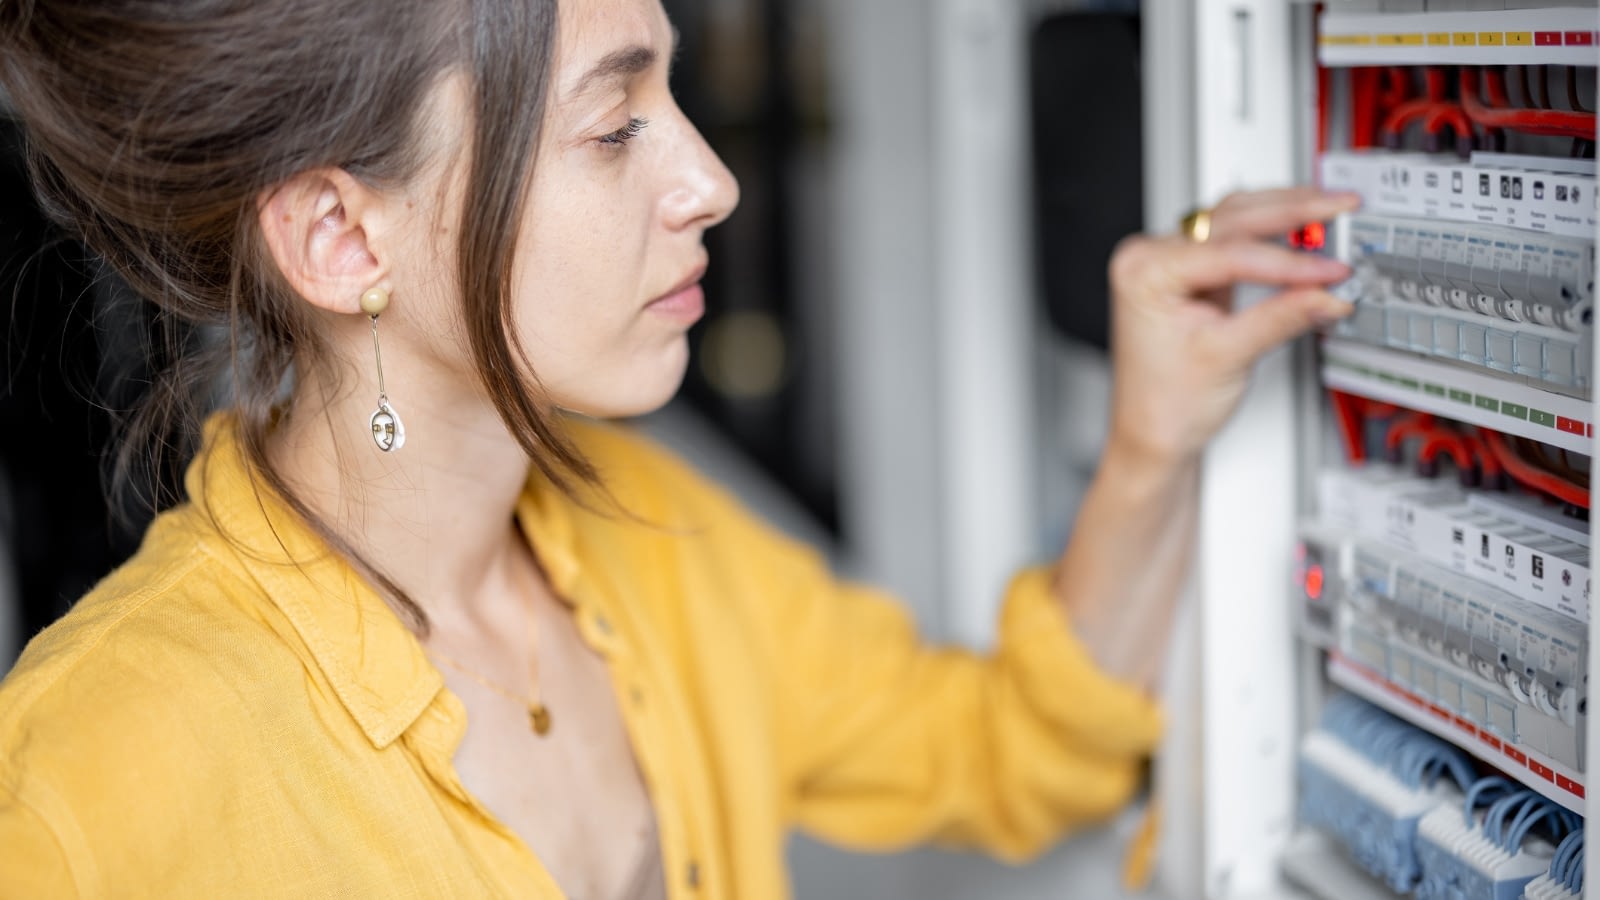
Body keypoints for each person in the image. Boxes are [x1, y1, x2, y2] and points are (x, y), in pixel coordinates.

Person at [0, 0, 1359, 896]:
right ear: (346, 243)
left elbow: (1011, 748)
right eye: (613, 127)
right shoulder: (80, 788)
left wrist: (1150, 439)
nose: (711, 180)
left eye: (677, 97)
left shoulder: (655, 534)